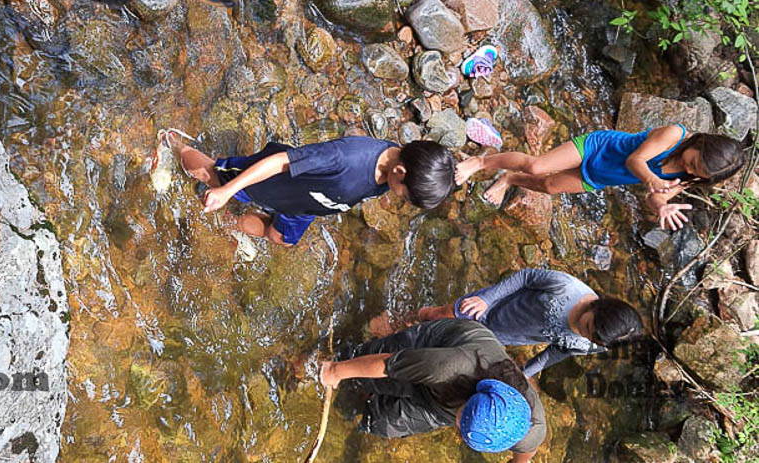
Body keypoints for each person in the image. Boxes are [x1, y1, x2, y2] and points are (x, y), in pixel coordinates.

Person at [164, 132, 455, 246]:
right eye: (404, 195)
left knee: (281, 238)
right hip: (275, 181)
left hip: (307, 203)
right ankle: (173, 144)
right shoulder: (346, 157)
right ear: (400, 172)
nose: (399, 198)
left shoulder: (398, 168)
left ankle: (227, 224)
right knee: (212, 175)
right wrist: (228, 192)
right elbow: (281, 162)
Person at [319, 318, 547, 461]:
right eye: (462, 421)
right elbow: (388, 364)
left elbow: (526, 452)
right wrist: (335, 371)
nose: (457, 429)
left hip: (442, 403)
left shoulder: (529, 428)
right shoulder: (450, 367)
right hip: (437, 345)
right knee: (363, 365)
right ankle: (370, 341)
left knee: (382, 424)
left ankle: (358, 405)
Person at [454, 125, 745, 229]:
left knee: (549, 186)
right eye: (693, 162)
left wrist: (662, 206)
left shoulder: (689, 176)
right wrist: (651, 181)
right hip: (598, 147)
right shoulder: (673, 135)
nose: (689, 168)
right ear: (700, 143)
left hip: (603, 176)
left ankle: (509, 179)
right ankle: (480, 161)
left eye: (697, 172)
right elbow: (636, 160)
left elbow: (656, 196)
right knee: (538, 167)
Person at [412, 268, 643, 378]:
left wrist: (526, 373)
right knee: (438, 316)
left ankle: (413, 347)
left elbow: (557, 352)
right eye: (589, 328)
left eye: (591, 338)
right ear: (598, 307)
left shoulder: (597, 342)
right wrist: (486, 298)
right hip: (490, 306)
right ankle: (410, 319)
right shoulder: (565, 288)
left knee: (449, 348)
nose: (585, 335)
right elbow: (525, 278)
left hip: (501, 336)